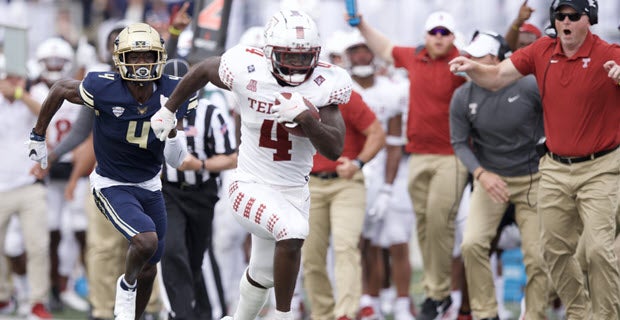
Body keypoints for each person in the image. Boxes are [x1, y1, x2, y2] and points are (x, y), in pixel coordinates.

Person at [150, 9, 351, 320]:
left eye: (304, 57)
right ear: (269, 53)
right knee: (293, 231)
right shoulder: (247, 68)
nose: (297, 65)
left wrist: (307, 120)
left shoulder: (326, 83)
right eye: (289, 56)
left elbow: (335, 148)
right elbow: (203, 69)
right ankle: (284, 316)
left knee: (262, 272)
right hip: (250, 185)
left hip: (294, 192)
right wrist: (169, 110)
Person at [449, 0, 620, 318]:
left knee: (597, 250)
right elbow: (498, 75)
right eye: (560, 16)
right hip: (554, 168)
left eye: (574, 16)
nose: (565, 21)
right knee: (552, 252)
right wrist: (474, 68)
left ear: (590, 19)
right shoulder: (542, 50)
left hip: (600, 167)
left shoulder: (609, 53)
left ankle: (606, 316)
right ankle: (580, 312)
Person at [28, 22, 198, 320]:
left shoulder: (173, 90)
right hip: (111, 183)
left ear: (159, 57)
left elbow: (176, 160)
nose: (142, 64)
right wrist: (39, 136)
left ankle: (133, 313)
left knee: (149, 267)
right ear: (121, 59)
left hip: (150, 185)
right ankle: (125, 285)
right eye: (135, 57)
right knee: (145, 241)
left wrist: (171, 131)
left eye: (148, 56)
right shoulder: (103, 86)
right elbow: (58, 89)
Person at [352, 10, 468, 320]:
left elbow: (494, 70)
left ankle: (438, 293)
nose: (440, 37)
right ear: (426, 36)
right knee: (424, 227)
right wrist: (362, 24)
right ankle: (436, 294)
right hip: (417, 155)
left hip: (452, 155)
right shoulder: (415, 56)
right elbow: (384, 47)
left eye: (445, 32)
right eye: (435, 32)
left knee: (439, 221)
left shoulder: (462, 62)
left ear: (453, 37)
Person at [449, 31, 548, 320]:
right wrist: (481, 174)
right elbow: (458, 142)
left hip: (534, 179)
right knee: (471, 244)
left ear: (495, 60)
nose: (467, 61)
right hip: (490, 180)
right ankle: (485, 313)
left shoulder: (530, 85)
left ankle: (535, 314)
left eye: (476, 57)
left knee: (538, 255)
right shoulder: (462, 95)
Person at [336, 31, 414, 320]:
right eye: (353, 50)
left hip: (387, 171)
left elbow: (394, 144)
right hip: (354, 171)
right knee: (362, 242)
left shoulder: (392, 90)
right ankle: (372, 302)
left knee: (397, 239)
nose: (360, 56)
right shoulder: (340, 89)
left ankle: (404, 303)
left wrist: (387, 187)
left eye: (364, 49)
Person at [159, 58, 238, 320]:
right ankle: (181, 313)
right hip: (167, 192)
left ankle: (206, 312)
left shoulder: (210, 112)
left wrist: (199, 164)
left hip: (202, 192)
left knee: (196, 258)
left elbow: (231, 157)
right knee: (171, 249)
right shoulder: (153, 112)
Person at [303, 90, 385, 320]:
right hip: (310, 184)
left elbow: (377, 134)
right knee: (311, 256)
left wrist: (358, 162)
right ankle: (322, 313)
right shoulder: (297, 96)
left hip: (347, 182)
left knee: (345, 247)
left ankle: (345, 314)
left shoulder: (347, 97)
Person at [28, 36, 91, 313]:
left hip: (76, 163)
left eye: (59, 61)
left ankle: (87, 282)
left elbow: (85, 129)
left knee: (80, 228)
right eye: (49, 61)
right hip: (48, 165)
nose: (54, 66)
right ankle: (55, 287)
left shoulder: (79, 89)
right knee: (51, 229)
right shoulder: (35, 92)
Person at [0, 70, 53, 319]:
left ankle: (36, 302)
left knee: (38, 246)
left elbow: (45, 113)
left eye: (15, 77)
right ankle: (3, 297)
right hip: (1, 186)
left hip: (30, 183)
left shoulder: (35, 94)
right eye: (6, 78)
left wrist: (20, 93)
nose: (11, 82)